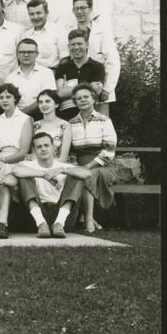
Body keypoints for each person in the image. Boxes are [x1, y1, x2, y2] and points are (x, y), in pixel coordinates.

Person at [12, 132, 92, 238]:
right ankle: (41, 223)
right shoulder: (27, 165)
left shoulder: (63, 166)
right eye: (39, 146)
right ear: (34, 150)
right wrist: (44, 175)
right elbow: (16, 170)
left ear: (53, 147)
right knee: (24, 177)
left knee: (76, 176)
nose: (43, 149)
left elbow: (87, 173)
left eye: (46, 145)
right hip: (35, 218)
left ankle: (59, 223)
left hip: (62, 215)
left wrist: (61, 170)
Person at [70, 83, 119, 233]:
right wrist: (74, 165)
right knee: (79, 175)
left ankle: (88, 220)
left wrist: (88, 166)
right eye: (79, 98)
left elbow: (109, 150)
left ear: (94, 99)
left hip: (105, 166)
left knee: (86, 175)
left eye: (86, 97)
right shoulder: (71, 123)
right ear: (75, 102)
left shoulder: (104, 120)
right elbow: (71, 150)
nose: (82, 100)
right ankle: (87, 218)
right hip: (80, 163)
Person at [71, 0, 120, 113]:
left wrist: (107, 89)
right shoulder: (69, 32)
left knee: (101, 123)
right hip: (79, 87)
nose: (79, 12)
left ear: (90, 9)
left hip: (100, 88)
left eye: (83, 8)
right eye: (76, 9)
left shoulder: (102, 32)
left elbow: (112, 61)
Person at [54, 29, 108, 121]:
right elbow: (60, 93)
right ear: (69, 46)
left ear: (87, 45)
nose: (76, 47)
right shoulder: (62, 67)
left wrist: (68, 90)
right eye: (73, 44)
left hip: (89, 117)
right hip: (65, 117)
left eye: (79, 44)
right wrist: (89, 86)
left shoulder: (97, 67)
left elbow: (93, 93)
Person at [23, 0, 69, 71]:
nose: (35, 17)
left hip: (53, 73)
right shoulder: (26, 35)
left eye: (38, 13)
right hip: (31, 75)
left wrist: (58, 75)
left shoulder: (58, 30)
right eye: (32, 14)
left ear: (46, 12)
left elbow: (65, 58)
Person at [0, 83, 33, 163]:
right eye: (1, 97)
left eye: (8, 97)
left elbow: (23, 152)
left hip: (19, 160)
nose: (4, 100)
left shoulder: (25, 119)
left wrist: (2, 160)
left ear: (15, 98)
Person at [33, 89, 72, 161]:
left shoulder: (65, 125)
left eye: (47, 101)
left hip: (59, 166)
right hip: (38, 166)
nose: (44, 104)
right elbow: (34, 154)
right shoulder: (34, 125)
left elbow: (63, 158)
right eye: (41, 102)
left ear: (56, 104)